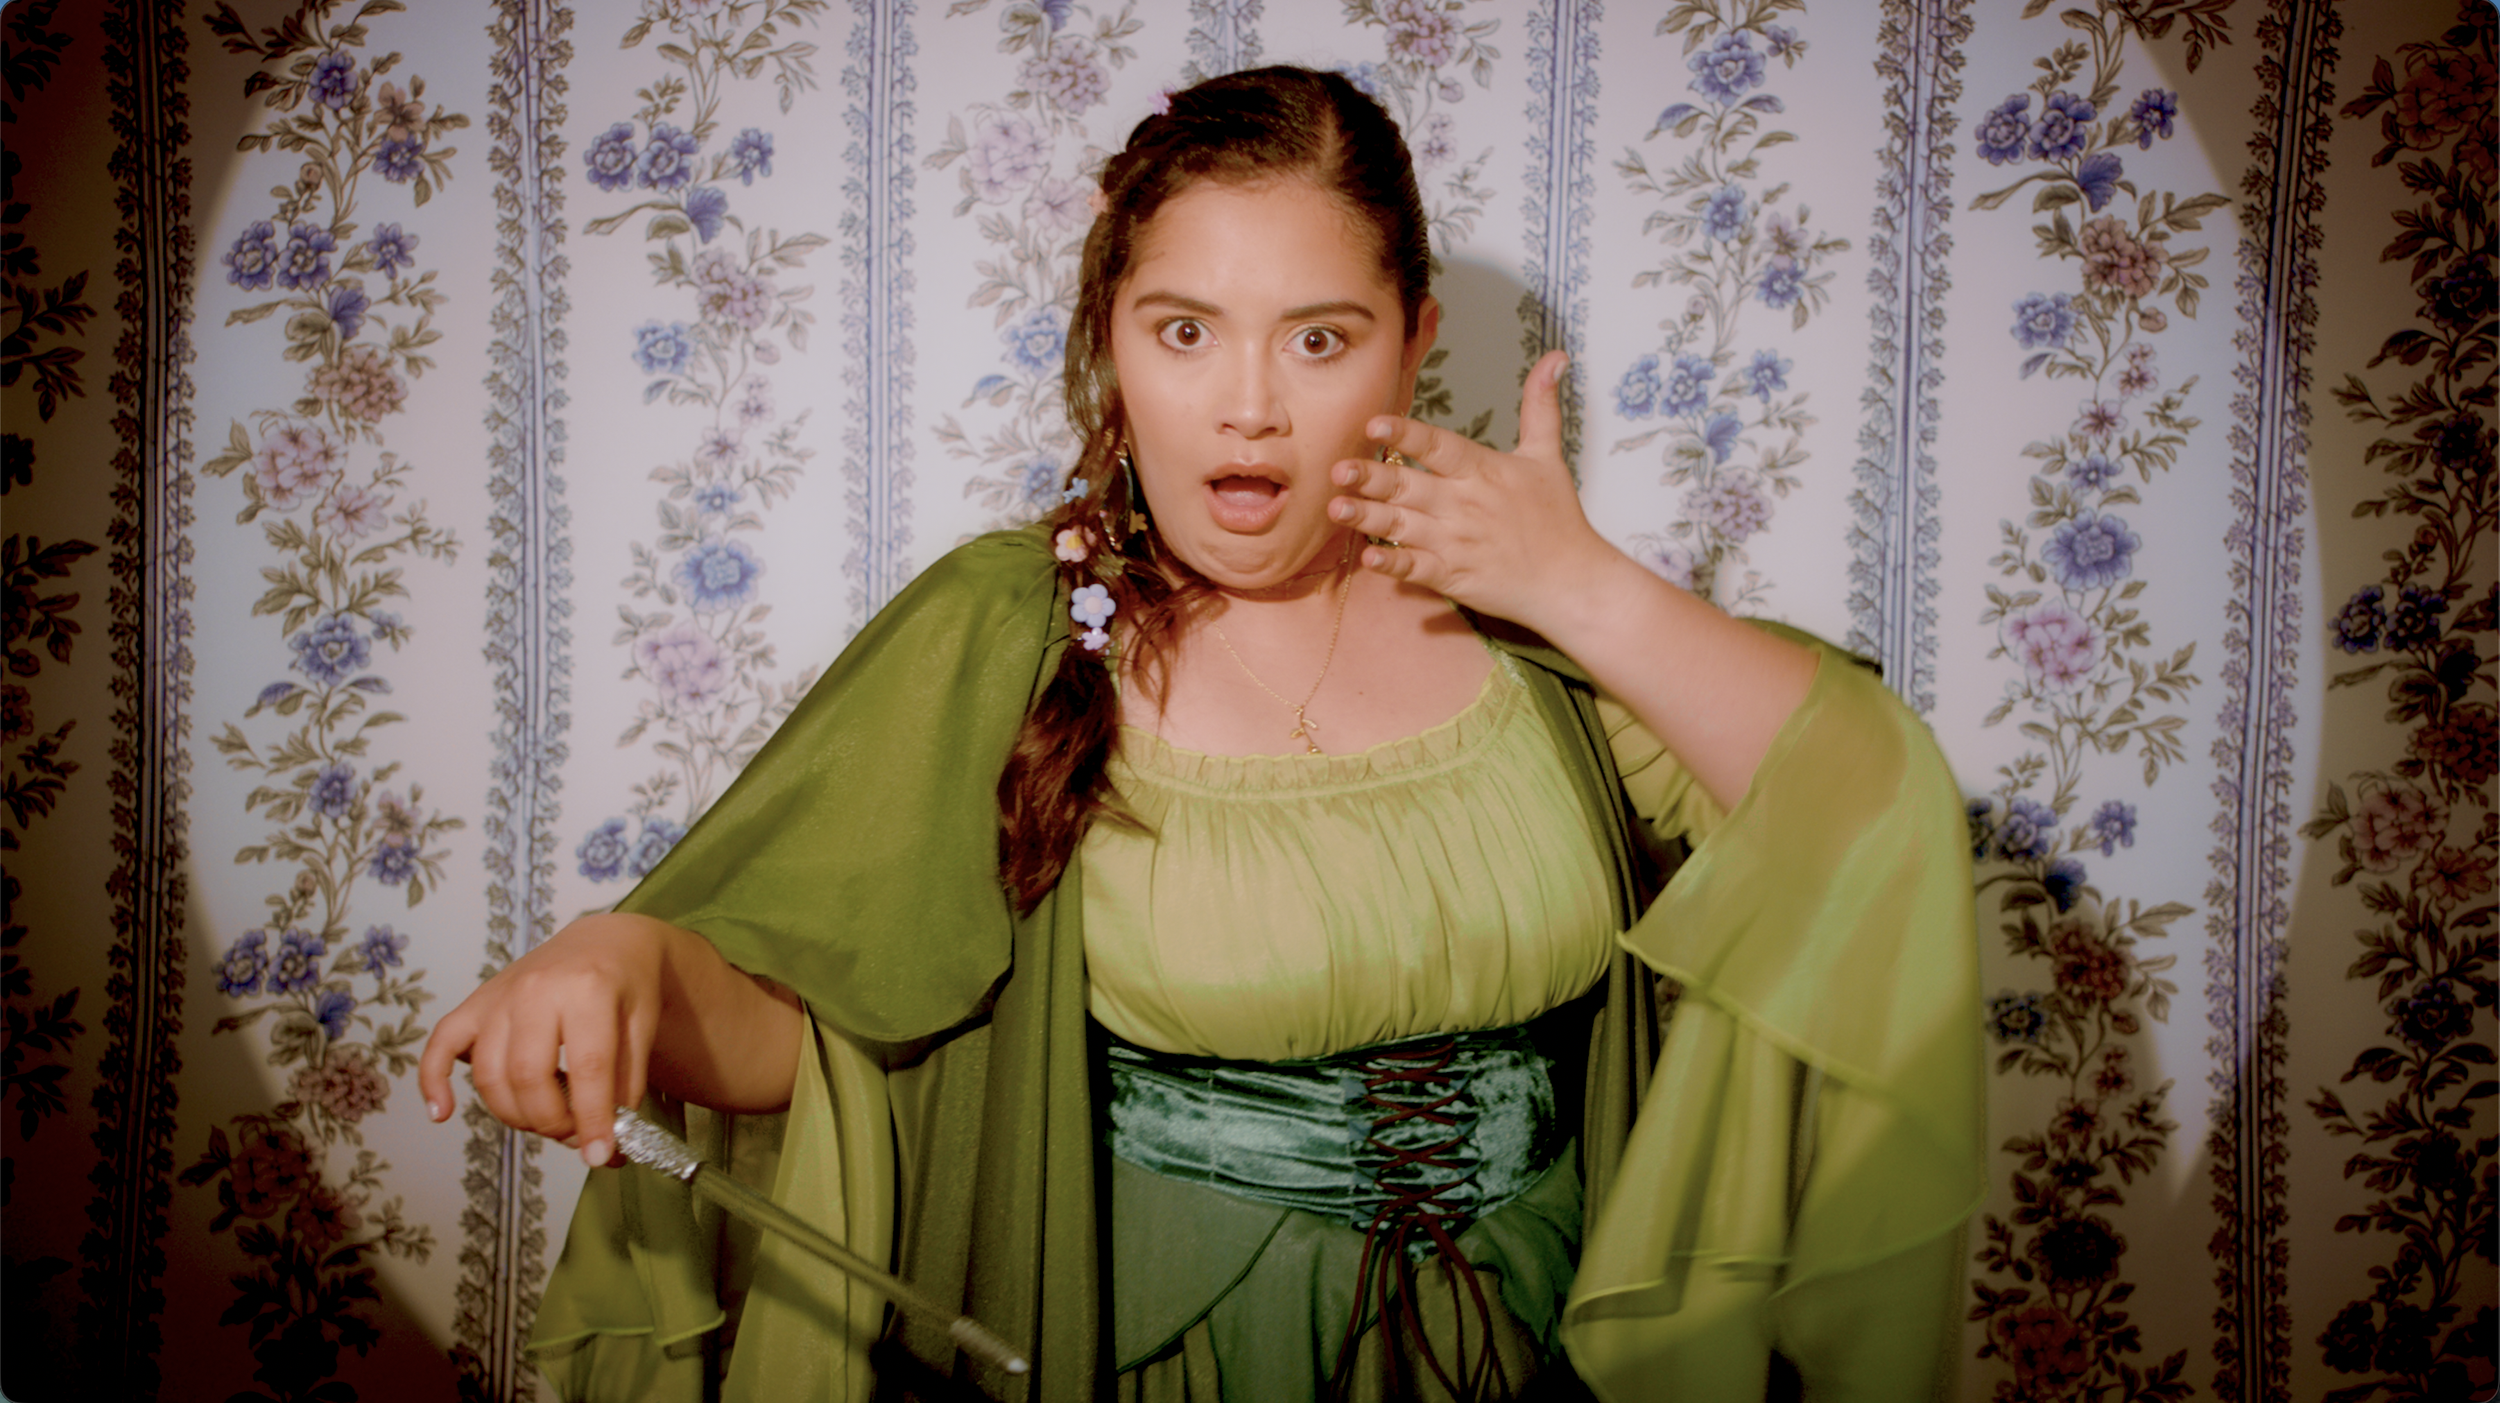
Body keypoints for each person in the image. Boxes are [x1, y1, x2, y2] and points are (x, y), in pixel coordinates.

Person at [420, 65, 1983, 1403]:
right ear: (1111, 337)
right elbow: (824, 1039)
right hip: (1167, 1353)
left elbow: (1869, 811)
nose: (1249, 407)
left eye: (1319, 339)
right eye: (1184, 332)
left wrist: (1581, 585)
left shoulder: (1533, 630)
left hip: (1534, 1341)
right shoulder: (1009, 629)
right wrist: (623, 958)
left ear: (1414, 339)